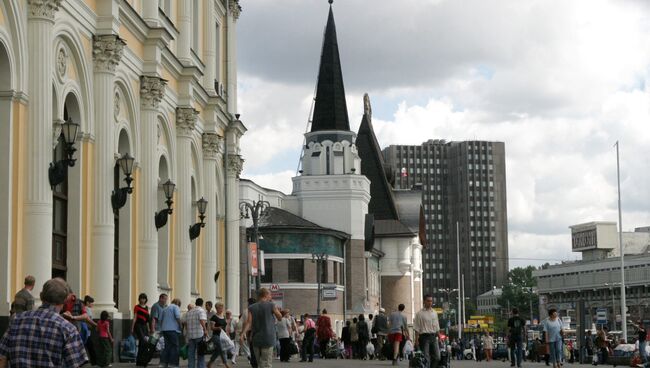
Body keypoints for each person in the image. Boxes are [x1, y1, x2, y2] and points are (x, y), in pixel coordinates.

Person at [0, 277, 88, 367]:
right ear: (65, 300)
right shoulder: (68, 329)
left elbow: (2, 358)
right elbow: (75, 364)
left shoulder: (16, 320)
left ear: (41, 296)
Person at [240, 288, 282, 368]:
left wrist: (242, 334)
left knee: (259, 363)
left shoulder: (251, 307)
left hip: (256, 338)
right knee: (266, 363)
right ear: (266, 295)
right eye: (270, 294)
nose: (270, 296)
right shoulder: (271, 305)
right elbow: (279, 317)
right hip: (268, 338)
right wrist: (275, 308)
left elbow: (249, 323)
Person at [414, 294, 440, 368]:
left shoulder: (434, 313)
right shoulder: (419, 314)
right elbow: (417, 328)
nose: (430, 303)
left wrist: (439, 337)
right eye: (428, 301)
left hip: (433, 337)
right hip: (424, 338)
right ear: (424, 301)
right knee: (426, 358)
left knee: (437, 357)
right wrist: (416, 340)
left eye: (431, 301)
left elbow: (437, 326)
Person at [131, 292, 153, 366]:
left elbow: (147, 320)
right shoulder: (136, 307)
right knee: (143, 342)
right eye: (141, 298)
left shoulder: (146, 307)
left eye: (144, 298)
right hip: (138, 325)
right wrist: (132, 328)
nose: (142, 300)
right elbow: (135, 318)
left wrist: (149, 329)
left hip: (144, 326)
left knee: (142, 343)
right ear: (139, 299)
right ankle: (141, 360)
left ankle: (140, 361)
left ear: (146, 299)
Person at [186, 298, 209, 368]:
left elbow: (186, 323)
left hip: (190, 335)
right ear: (202, 304)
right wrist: (205, 330)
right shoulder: (201, 310)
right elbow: (202, 320)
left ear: (196, 303)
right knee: (200, 354)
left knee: (191, 354)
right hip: (199, 335)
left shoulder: (190, 312)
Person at [208, 302, 231, 368]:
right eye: (220, 308)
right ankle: (226, 365)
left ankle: (210, 363)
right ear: (217, 308)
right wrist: (218, 328)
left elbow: (225, 326)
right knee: (221, 349)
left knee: (218, 351)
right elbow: (212, 328)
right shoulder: (214, 317)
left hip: (223, 336)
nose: (221, 309)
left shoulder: (223, 317)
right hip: (216, 336)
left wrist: (227, 332)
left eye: (222, 308)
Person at [160, 298, 182, 368]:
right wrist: (180, 326)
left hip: (164, 330)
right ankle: (173, 364)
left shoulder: (165, 308)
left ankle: (163, 364)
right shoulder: (176, 307)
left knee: (167, 347)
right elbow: (178, 317)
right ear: (178, 303)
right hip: (173, 330)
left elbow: (160, 319)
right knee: (175, 347)